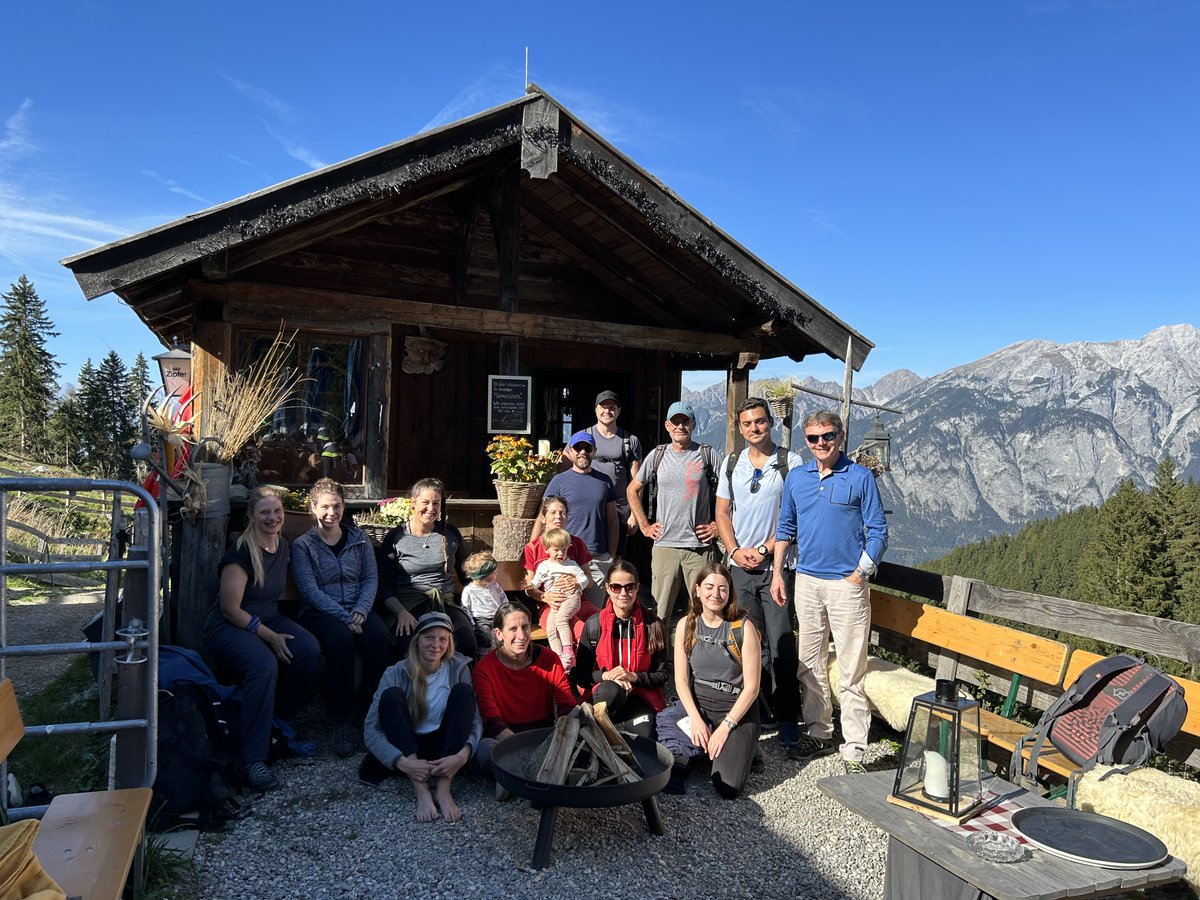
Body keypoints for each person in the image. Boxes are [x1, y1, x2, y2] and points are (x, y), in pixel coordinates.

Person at [770, 410, 888, 775]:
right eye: (813, 438)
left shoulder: (860, 476)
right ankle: (820, 733)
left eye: (828, 436)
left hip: (845, 586)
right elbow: (785, 527)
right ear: (805, 441)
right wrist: (777, 573)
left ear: (840, 436)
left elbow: (879, 531)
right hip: (805, 580)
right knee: (809, 663)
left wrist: (860, 574)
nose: (821, 443)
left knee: (852, 668)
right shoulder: (797, 479)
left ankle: (854, 749)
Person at [204, 485, 320, 791]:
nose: (273, 517)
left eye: (277, 511)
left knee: (308, 649)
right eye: (265, 512)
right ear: (252, 517)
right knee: (263, 664)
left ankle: (278, 717)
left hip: (268, 617)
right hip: (229, 625)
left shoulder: (282, 544)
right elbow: (230, 609)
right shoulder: (240, 553)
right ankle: (253, 758)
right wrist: (269, 636)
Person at [715, 398, 804, 747]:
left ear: (770, 422)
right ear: (740, 428)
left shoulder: (789, 462)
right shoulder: (731, 462)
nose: (754, 428)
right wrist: (736, 550)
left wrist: (765, 549)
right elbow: (722, 512)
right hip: (739, 568)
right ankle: (760, 710)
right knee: (749, 643)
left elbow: (794, 515)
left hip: (776, 568)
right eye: (748, 423)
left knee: (781, 641)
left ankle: (787, 719)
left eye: (760, 421)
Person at [291, 478, 393, 758]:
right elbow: (309, 590)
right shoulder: (304, 546)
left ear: (343, 507)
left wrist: (360, 610)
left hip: (358, 609)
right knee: (340, 640)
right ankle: (339, 719)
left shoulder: (359, 539)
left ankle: (371, 712)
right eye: (324, 507)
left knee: (380, 637)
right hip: (321, 612)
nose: (331, 513)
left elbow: (371, 578)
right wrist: (343, 616)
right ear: (313, 508)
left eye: (336, 506)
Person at [360, 612, 482, 823]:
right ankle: (421, 790)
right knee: (391, 697)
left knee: (463, 693)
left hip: (445, 747)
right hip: (408, 747)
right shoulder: (395, 672)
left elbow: (475, 720)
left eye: (443, 638)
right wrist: (402, 763)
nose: (436, 644)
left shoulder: (459, 668)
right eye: (429, 637)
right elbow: (371, 729)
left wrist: (462, 756)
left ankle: (444, 788)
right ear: (417, 641)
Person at [656, 563, 760, 799]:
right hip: (699, 707)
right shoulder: (686, 625)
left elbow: (752, 688)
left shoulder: (743, 628)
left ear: (730, 593)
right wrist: (694, 719)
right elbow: (681, 681)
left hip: (735, 710)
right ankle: (705, 746)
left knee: (727, 786)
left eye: (723, 589)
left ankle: (743, 745)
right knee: (673, 769)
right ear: (697, 590)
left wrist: (726, 727)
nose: (716, 594)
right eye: (710, 587)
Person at [626, 400, 719, 623]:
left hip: (699, 548)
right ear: (667, 426)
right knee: (659, 614)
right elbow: (632, 490)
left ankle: (699, 658)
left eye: (685, 422)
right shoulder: (658, 455)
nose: (680, 427)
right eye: (675, 422)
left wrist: (717, 524)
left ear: (693, 424)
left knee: (707, 612)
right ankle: (659, 658)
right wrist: (645, 526)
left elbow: (731, 493)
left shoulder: (707, 454)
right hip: (665, 546)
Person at [473, 603, 576, 788]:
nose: (521, 636)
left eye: (525, 627)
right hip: (504, 738)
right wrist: (520, 747)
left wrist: (561, 741)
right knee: (484, 750)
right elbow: (492, 722)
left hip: (542, 735)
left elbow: (566, 705)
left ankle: (515, 779)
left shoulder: (549, 659)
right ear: (498, 634)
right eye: (513, 629)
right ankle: (537, 774)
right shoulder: (484, 669)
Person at [376, 477, 477, 661]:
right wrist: (400, 613)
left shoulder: (450, 534)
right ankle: (414, 689)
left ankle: (458, 687)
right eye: (425, 502)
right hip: (408, 605)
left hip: (444, 604)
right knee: (408, 646)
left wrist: (481, 592)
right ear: (413, 503)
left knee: (466, 642)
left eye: (436, 503)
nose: (431, 509)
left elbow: (467, 573)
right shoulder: (396, 537)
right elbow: (383, 584)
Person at [572, 560, 667, 740]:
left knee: (645, 739)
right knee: (611, 689)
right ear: (607, 588)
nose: (623, 593)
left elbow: (662, 675)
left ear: (637, 587)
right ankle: (596, 739)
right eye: (616, 587)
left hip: (639, 696)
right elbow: (581, 676)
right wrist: (606, 676)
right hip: (607, 694)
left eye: (629, 587)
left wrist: (634, 676)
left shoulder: (653, 624)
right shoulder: (594, 625)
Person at [539, 430, 618, 603]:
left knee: (594, 614)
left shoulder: (605, 481)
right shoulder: (558, 481)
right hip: (565, 556)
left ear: (594, 451)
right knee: (565, 610)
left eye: (587, 448)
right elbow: (543, 517)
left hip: (597, 557)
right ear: (570, 452)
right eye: (578, 447)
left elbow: (612, 520)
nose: (583, 452)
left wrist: (610, 555)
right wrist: (533, 549)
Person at [521, 495, 598, 639]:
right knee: (575, 628)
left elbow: (590, 581)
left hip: (578, 601)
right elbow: (529, 589)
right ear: (543, 518)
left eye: (562, 513)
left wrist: (577, 583)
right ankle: (569, 660)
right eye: (553, 512)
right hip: (551, 604)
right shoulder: (532, 548)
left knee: (600, 623)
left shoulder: (576, 544)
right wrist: (545, 596)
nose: (558, 517)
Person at [585, 391, 643, 558]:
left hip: (620, 510)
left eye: (612, 408)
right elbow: (565, 467)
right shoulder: (584, 438)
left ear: (618, 411)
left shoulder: (629, 440)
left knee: (616, 559)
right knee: (588, 556)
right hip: (592, 508)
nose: (607, 411)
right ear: (596, 410)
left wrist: (634, 514)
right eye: (603, 407)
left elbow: (637, 481)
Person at [530, 528, 589, 671]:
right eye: (556, 550)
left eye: (564, 550)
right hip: (555, 601)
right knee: (551, 626)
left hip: (571, 597)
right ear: (547, 549)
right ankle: (559, 656)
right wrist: (529, 585)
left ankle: (568, 651)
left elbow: (585, 579)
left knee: (561, 619)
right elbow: (536, 582)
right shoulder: (544, 566)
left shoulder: (571, 565)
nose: (561, 554)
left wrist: (576, 584)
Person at [459, 550, 505, 653]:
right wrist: (472, 623)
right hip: (480, 619)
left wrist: (506, 612)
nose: (496, 575)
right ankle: (483, 658)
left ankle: (503, 657)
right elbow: (465, 608)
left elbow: (503, 598)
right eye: (493, 573)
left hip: (498, 616)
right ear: (482, 577)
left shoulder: (495, 586)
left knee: (506, 633)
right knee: (484, 636)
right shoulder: (469, 590)